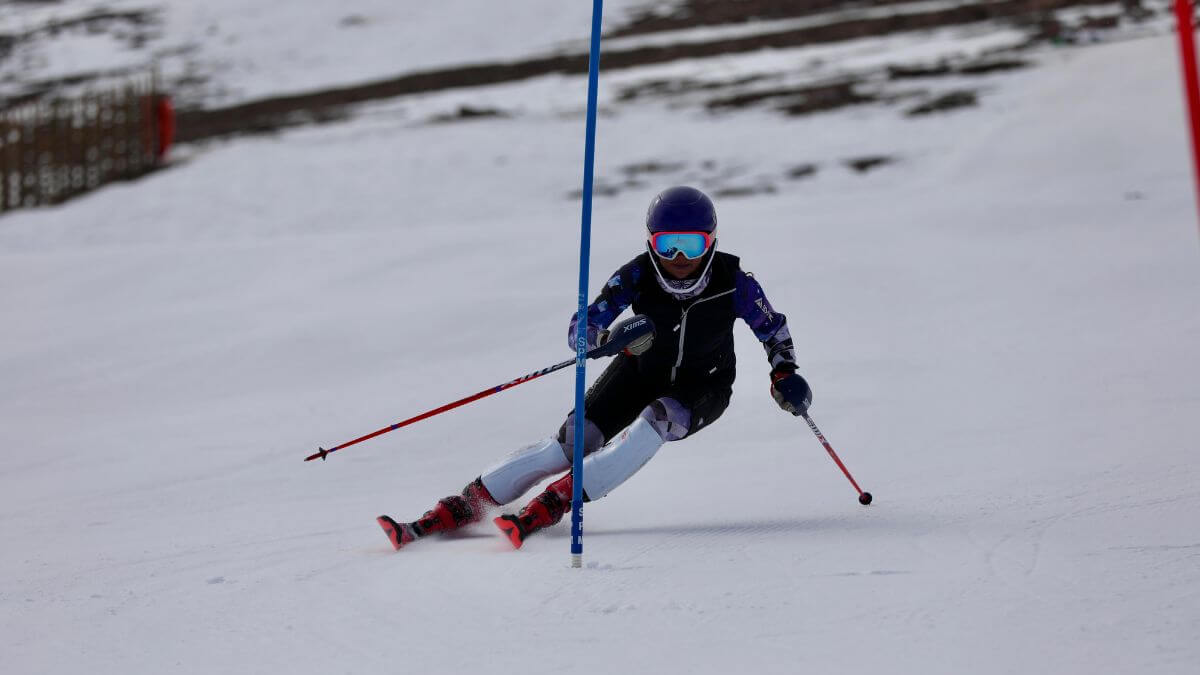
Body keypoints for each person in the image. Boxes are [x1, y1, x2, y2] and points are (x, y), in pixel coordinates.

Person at [377, 185, 812, 550]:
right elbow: (583, 324)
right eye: (668, 244)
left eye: (692, 244)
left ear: (711, 240)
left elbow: (772, 330)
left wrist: (784, 373)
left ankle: (558, 500)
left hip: (704, 386)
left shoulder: (734, 281)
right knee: (571, 442)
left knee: (654, 422)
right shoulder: (638, 275)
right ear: (650, 241)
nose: (680, 257)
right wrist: (602, 339)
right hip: (636, 371)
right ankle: (460, 506)